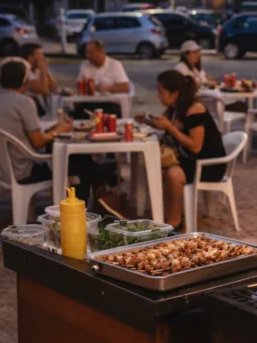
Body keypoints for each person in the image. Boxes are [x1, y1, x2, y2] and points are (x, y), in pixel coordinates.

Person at [0, 58, 112, 204]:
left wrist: (54, 129)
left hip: (4, 167)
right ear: (25, 81)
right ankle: (89, 203)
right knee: (79, 162)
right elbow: (38, 143)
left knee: (82, 162)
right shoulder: (23, 102)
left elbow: (19, 130)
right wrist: (59, 130)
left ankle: (103, 187)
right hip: (25, 169)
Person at [141, 70, 226, 229]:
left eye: (161, 92)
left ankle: (175, 221)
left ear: (175, 94)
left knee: (173, 173)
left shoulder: (195, 109)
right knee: (158, 169)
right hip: (189, 158)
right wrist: (148, 121)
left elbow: (195, 146)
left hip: (208, 163)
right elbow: (166, 125)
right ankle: (166, 215)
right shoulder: (174, 108)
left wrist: (170, 128)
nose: (158, 96)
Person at [75, 39, 130, 117]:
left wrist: (109, 88)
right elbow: (79, 86)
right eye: (86, 53)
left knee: (112, 112)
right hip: (89, 103)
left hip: (110, 103)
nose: (88, 56)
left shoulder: (115, 65)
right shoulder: (85, 65)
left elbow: (126, 87)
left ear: (101, 52)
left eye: (90, 53)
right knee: (77, 112)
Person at [20, 43, 58, 116]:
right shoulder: (25, 71)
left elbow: (54, 87)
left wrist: (46, 71)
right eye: (40, 54)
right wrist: (43, 72)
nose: (43, 57)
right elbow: (44, 91)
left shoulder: (38, 70)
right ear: (30, 57)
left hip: (41, 105)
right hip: (30, 108)